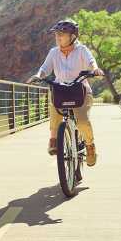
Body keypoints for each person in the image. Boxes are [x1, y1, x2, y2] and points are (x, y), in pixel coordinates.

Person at [27, 19, 104, 165]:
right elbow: (45, 68)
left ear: (72, 36)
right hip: (61, 89)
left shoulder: (82, 50)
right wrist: (38, 75)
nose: (58, 37)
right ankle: (53, 138)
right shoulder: (53, 52)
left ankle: (90, 145)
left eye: (61, 34)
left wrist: (95, 69)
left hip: (80, 90)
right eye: (56, 35)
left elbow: (91, 61)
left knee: (82, 122)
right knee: (54, 111)